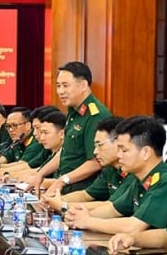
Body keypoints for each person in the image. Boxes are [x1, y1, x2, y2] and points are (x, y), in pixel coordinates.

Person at [63, 115, 167, 234]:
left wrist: (88, 221)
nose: (119, 155)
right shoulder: (140, 177)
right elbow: (113, 209)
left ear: (146, 152)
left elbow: (134, 226)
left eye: (124, 150)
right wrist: (80, 216)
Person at [29, 61, 111, 194]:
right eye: (58, 86)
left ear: (83, 85)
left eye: (65, 86)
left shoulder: (95, 114)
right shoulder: (74, 112)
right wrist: (40, 174)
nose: (60, 91)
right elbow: (66, 149)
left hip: (83, 192)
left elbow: (96, 161)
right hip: (66, 188)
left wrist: (63, 180)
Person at [42, 116, 127, 212]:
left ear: (118, 143)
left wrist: (64, 205)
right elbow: (87, 195)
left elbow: (111, 206)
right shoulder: (109, 169)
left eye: (100, 145)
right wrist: (52, 200)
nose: (95, 151)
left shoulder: (132, 172)